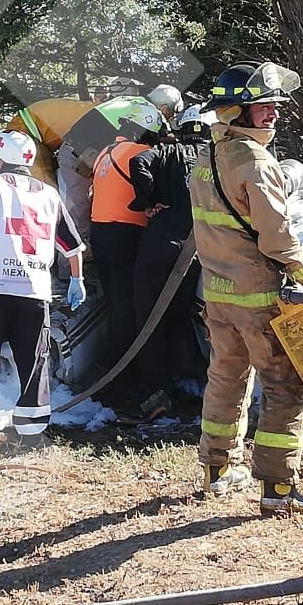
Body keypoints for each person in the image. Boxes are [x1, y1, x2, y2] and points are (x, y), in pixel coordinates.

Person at [190, 61, 303, 515]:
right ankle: (278, 488)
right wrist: (302, 269)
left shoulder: (207, 158)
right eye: (262, 107)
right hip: (259, 296)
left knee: (226, 376)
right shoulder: (258, 163)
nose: (273, 114)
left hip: (219, 295)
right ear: (237, 112)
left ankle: (216, 469)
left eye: (274, 106)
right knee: (285, 384)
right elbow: (276, 234)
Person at [0, 130, 85, 445]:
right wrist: (76, 280)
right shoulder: (49, 194)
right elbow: (72, 246)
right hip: (34, 291)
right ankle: (32, 432)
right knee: (34, 361)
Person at [125, 103, 214, 419]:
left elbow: (138, 162)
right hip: (195, 251)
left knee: (149, 319)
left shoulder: (167, 152)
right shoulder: (216, 158)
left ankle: (155, 392)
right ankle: (186, 382)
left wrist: (147, 201)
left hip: (159, 245)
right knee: (180, 315)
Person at [87, 103, 165, 404]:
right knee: (128, 308)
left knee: (114, 304)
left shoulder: (106, 152)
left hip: (102, 233)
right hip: (126, 234)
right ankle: (121, 377)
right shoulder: (139, 154)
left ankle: (111, 370)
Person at [56, 95, 164, 247]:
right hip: (79, 157)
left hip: (78, 151)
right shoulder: (149, 113)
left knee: (83, 209)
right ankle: (71, 264)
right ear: (164, 108)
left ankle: (81, 256)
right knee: (77, 212)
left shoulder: (133, 101)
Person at [4, 97, 95, 186]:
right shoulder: (102, 121)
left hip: (30, 126)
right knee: (43, 187)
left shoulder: (97, 110)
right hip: (27, 131)